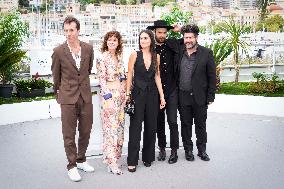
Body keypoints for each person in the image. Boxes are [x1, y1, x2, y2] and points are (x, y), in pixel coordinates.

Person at [51, 16, 94, 182]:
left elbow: (88, 70)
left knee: (85, 131)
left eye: (71, 30)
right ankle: (72, 165)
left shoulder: (88, 48)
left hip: (85, 96)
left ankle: (81, 159)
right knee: (69, 134)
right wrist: (59, 94)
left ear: (78, 30)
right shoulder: (59, 51)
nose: (68, 34)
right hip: (67, 97)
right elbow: (56, 77)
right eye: (66, 30)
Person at [126, 30, 166, 172]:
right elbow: (129, 74)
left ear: (151, 40)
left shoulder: (157, 56)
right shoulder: (134, 55)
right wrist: (127, 93)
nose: (143, 40)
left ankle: (148, 157)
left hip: (153, 95)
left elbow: (157, 76)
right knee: (135, 128)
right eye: (141, 38)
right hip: (137, 94)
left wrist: (162, 96)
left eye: (145, 38)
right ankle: (132, 161)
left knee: (151, 127)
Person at [176, 24, 216, 162]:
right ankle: (188, 150)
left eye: (190, 37)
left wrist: (211, 96)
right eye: (185, 37)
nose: (188, 40)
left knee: (200, 125)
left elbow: (212, 76)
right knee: (185, 125)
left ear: (196, 38)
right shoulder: (179, 52)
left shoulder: (206, 53)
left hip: (200, 97)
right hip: (183, 96)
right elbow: (166, 42)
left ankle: (202, 150)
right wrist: (177, 30)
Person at [146, 20, 179, 164]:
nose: (162, 35)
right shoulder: (149, 49)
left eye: (165, 32)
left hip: (172, 90)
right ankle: (162, 148)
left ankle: (174, 151)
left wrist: (180, 30)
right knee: (159, 122)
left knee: (172, 121)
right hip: (156, 92)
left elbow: (190, 39)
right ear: (154, 33)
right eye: (159, 32)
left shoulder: (173, 44)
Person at [97, 31, 126, 175]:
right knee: (110, 130)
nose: (112, 42)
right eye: (109, 40)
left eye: (115, 40)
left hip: (120, 97)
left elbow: (123, 76)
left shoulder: (119, 57)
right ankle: (112, 162)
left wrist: (125, 94)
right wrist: (107, 99)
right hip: (109, 98)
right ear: (106, 42)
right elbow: (101, 80)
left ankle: (115, 157)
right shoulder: (102, 58)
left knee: (119, 129)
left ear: (118, 42)